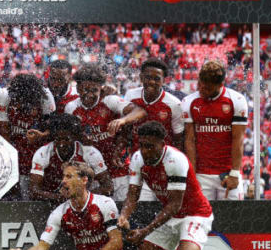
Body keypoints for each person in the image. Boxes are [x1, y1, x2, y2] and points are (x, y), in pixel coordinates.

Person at [118, 121, 213, 250]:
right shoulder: (137, 158)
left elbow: (174, 205)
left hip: (195, 214)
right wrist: (123, 215)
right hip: (171, 218)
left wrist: (145, 231)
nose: (145, 151)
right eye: (142, 145)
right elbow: (133, 196)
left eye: (150, 146)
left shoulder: (175, 160)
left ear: (162, 144)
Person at [9, 161, 131, 250]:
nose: (63, 181)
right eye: (63, 177)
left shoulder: (104, 203)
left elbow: (117, 242)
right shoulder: (60, 213)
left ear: (84, 180)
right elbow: (42, 247)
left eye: (69, 176)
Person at [66, 63, 146, 202]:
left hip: (117, 170)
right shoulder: (71, 108)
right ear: (78, 88)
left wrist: (122, 121)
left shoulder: (110, 101)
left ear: (101, 88)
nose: (89, 94)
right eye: (85, 89)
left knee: (121, 211)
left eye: (94, 90)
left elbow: (140, 111)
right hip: (94, 173)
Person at [182, 60, 248, 200]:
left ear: (220, 85)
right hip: (201, 175)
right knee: (201, 219)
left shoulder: (236, 100)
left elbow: (238, 139)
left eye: (207, 88)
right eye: (200, 85)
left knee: (234, 219)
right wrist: (192, 176)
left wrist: (235, 173)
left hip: (228, 173)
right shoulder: (189, 102)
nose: (201, 90)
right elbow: (189, 140)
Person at [124, 58, 184, 201]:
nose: (151, 82)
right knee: (141, 207)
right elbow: (126, 130)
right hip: (139, 163)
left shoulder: (174, 104)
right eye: (147, 77)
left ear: (164, 80)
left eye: (157, 79)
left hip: (165, 166)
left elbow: (179, 139)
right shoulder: (130, 96)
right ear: (141, 77)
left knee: (165, 207)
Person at [0, 73, 55, 199]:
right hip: (14, 145)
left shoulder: (45, 96)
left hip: (39, 149)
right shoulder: (3, 95)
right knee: (16, 190)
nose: (21, 105)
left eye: (25, 102)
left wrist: (42, 136)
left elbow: (53, 129)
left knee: (36, 190)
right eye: (19, 102)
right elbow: (3, 131)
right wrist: (11, 162)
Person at [30, 113, 113, 202]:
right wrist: (60, 198)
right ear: (54, 138)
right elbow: (33, 191)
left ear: (74, 138)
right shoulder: (42, 153)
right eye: (58, 140)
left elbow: (108, 187)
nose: (62, 144)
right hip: (52, 202)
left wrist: (81, 196)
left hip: (84, 203)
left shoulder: (90, 153)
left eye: (66, 140)